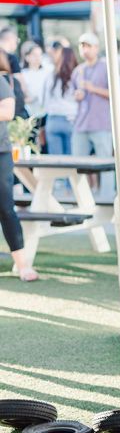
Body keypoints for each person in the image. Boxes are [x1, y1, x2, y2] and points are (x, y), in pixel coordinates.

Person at [0, 74, 39, 281]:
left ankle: (23, 265)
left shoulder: (1, 82)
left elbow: (7, 112)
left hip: (1, 153)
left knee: (6, 209)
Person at [72, 32, 114, 198]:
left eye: (89, 45)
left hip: (101, 123)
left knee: (105, 164)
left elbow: (117, 94)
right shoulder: (78, 71)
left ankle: (107, 198)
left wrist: (93, 89)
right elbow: (72, 95)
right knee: (78, 164)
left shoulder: (106, 67)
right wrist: (77, 95)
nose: (85, 49)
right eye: (82, 46)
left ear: (96, 48)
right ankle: (82, 198)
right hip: (81, 123)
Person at [43, 46, 79, 155]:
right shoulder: (76, 75)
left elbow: (44, 100)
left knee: (56, 163)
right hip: (71, 119)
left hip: (53, 119)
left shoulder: (51, 76)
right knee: (72, 162)